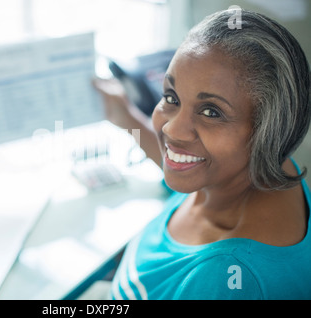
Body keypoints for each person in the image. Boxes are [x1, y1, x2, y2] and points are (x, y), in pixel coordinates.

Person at [93, 8, 311, 299]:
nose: (172, 129)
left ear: (269, 131)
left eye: (211, 112)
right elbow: (186, 162)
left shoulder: (221, 280)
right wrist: (127, 118)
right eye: (171, 97)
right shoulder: (272, 168)